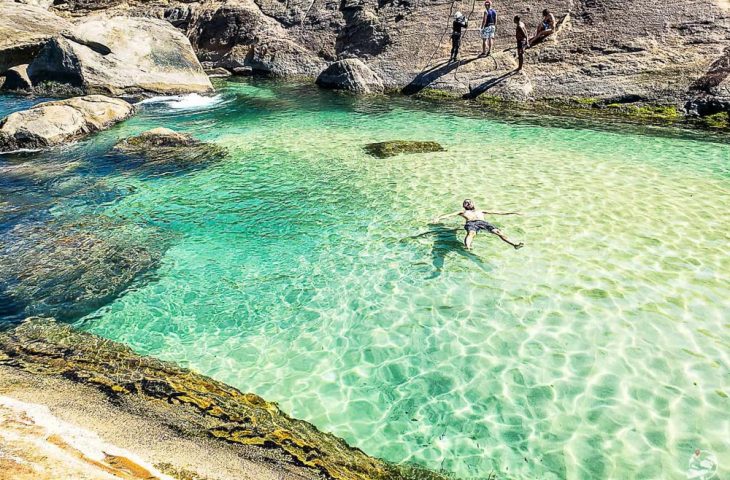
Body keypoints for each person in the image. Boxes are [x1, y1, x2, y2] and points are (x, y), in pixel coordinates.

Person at [433, 199, 524, 250]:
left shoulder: (481, 211)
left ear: (473, 204)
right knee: (471, 233)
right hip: (471, 223)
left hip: (484, 223)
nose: (468, 203)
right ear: (464, 206)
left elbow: (498, 212)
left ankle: (514, 244)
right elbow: (450, 214)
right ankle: (468, 247)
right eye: (466, 203)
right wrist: (439, 218)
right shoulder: (463, 212)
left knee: (498, 232)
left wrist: (514, 212)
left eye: (469, 202)